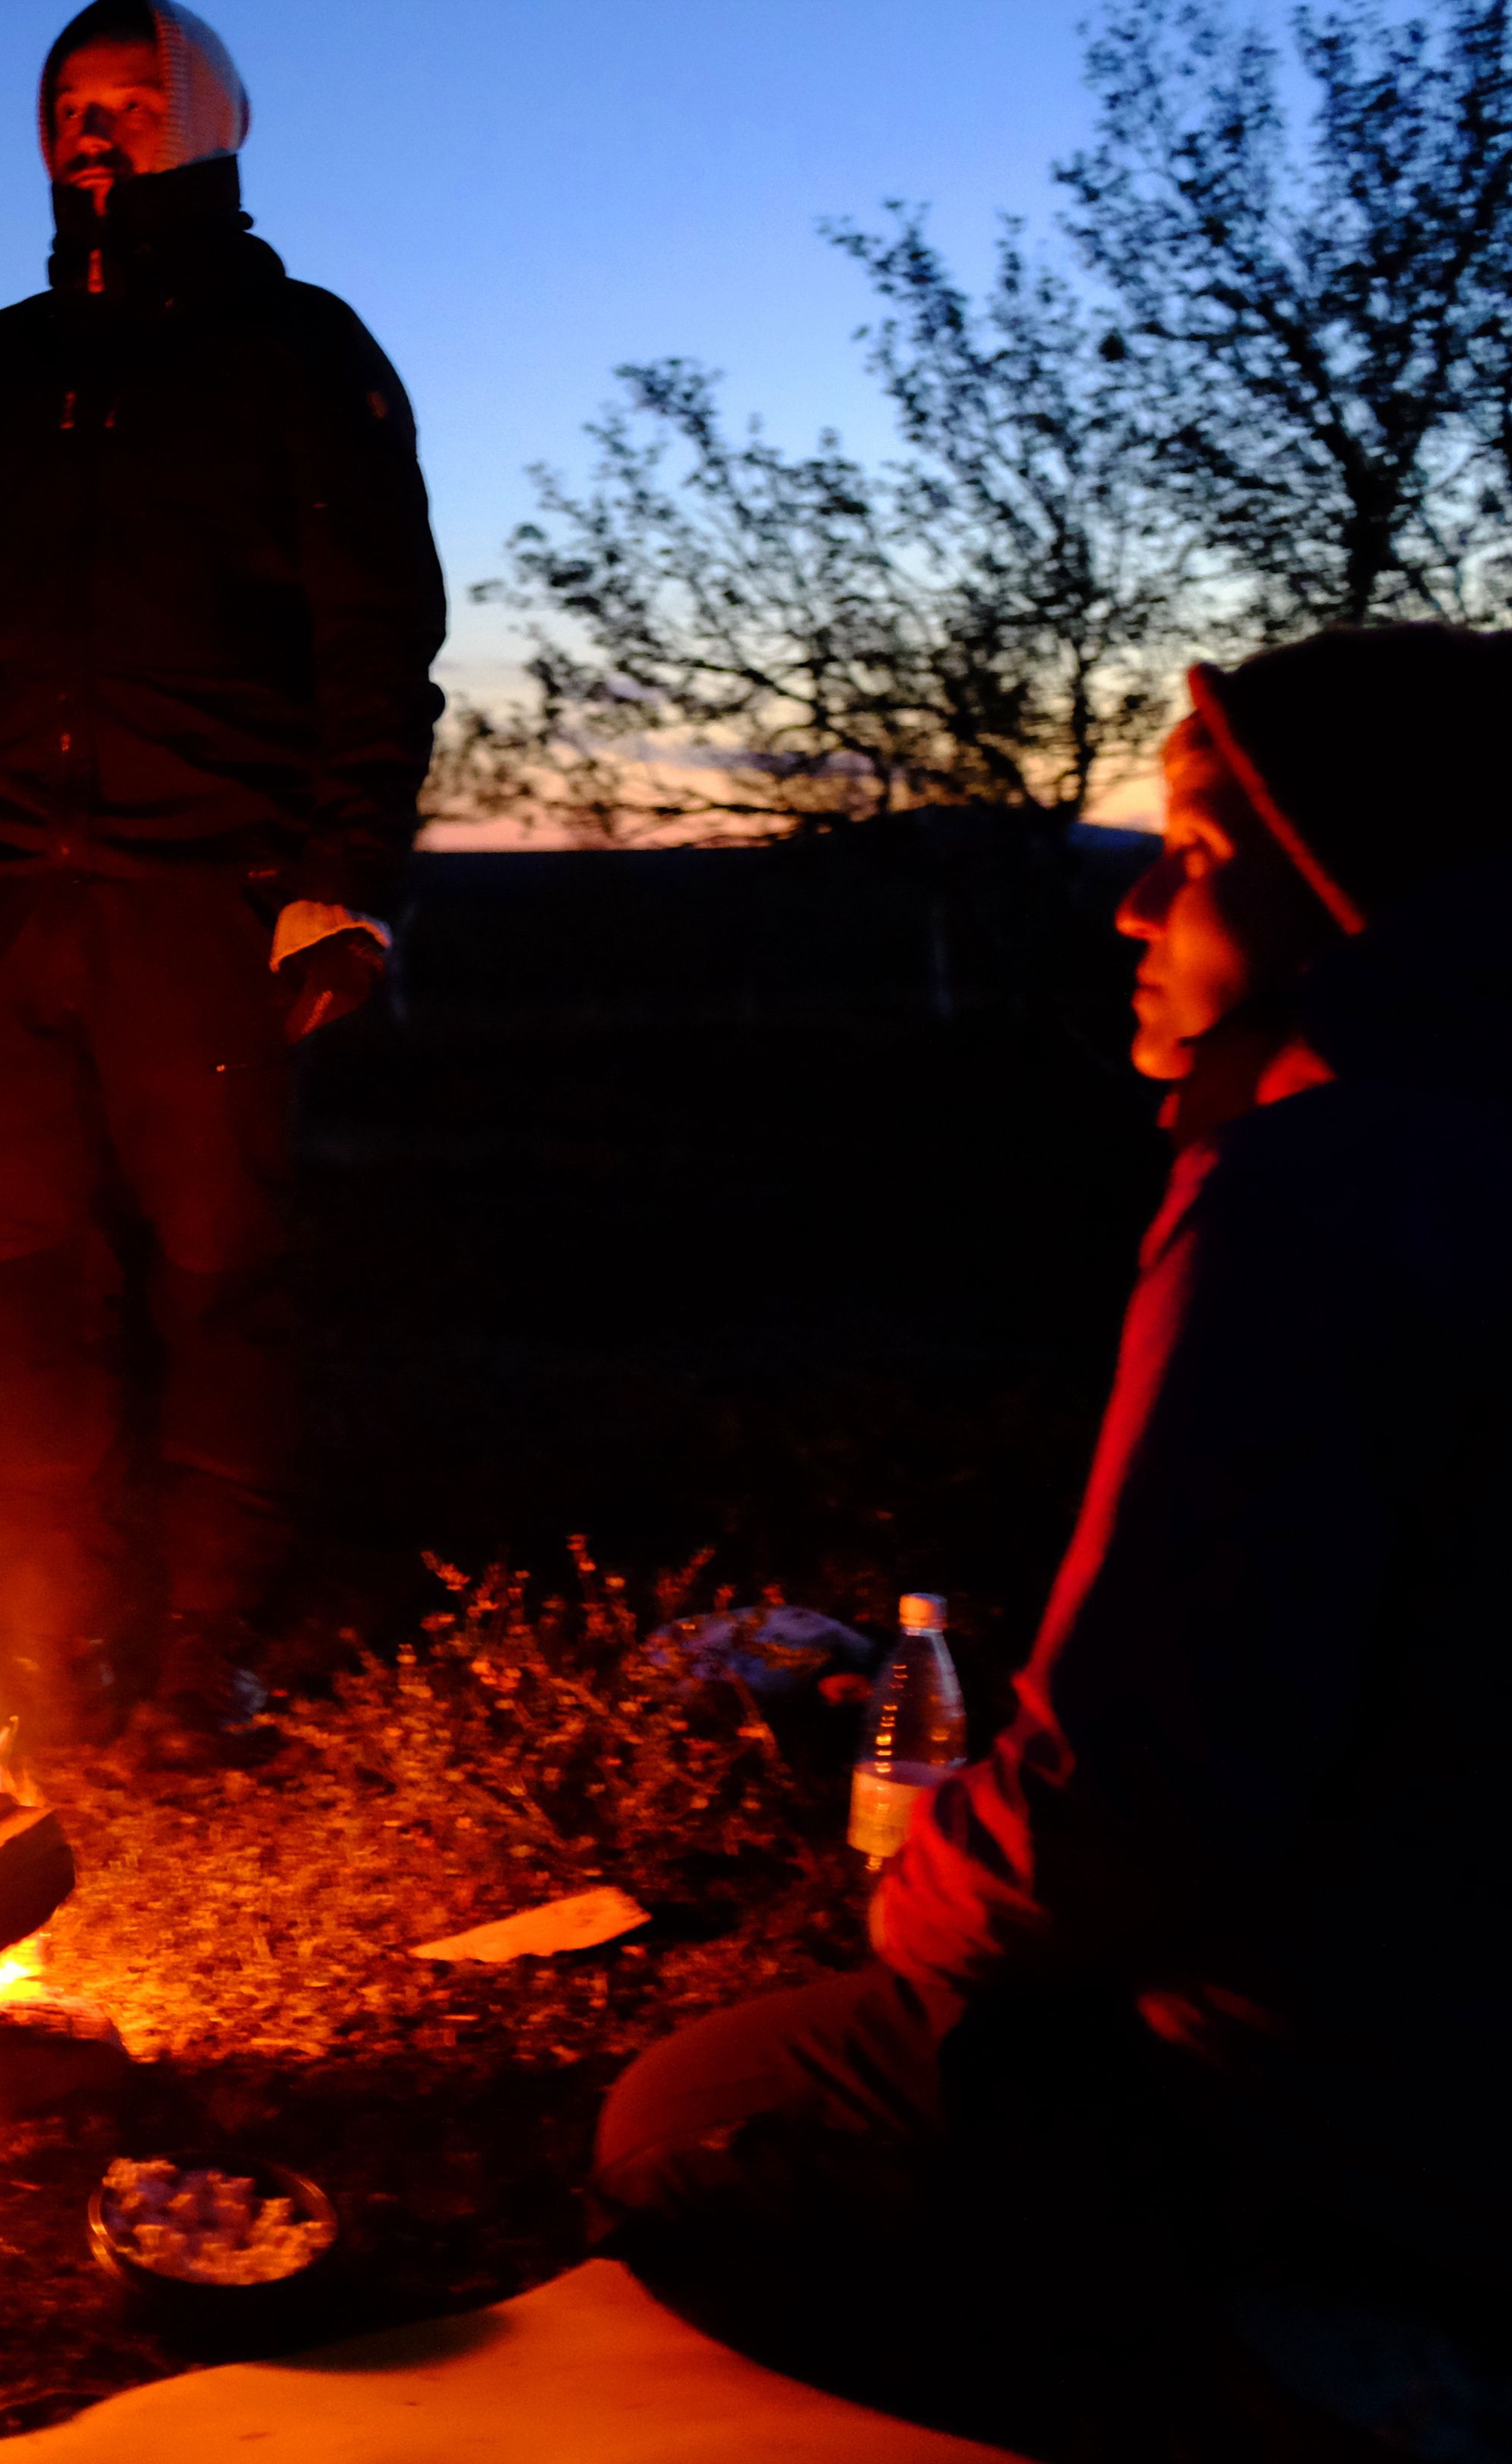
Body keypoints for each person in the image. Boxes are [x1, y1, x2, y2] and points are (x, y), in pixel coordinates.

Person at [590, 626, 1510, 2458]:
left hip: (1375, 2100)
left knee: (696, 2117)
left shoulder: (1326, 1196)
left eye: (1189, 847)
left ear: (1344, 890)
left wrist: (911, 1893)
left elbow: (1137, 1798)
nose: (1131, 912)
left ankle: (1331, 2367)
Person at [0, 2, 446, 1751]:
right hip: (7, 895)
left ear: (215, 125)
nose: (96, 130)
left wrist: (340, 879)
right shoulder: (3, 360)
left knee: (219, 1278)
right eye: (70, 105)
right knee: (28, 1279)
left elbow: (376, 645)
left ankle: (202, 1657)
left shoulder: (299, 351)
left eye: (133, 102)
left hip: (205, 896)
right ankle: (54, 1662)